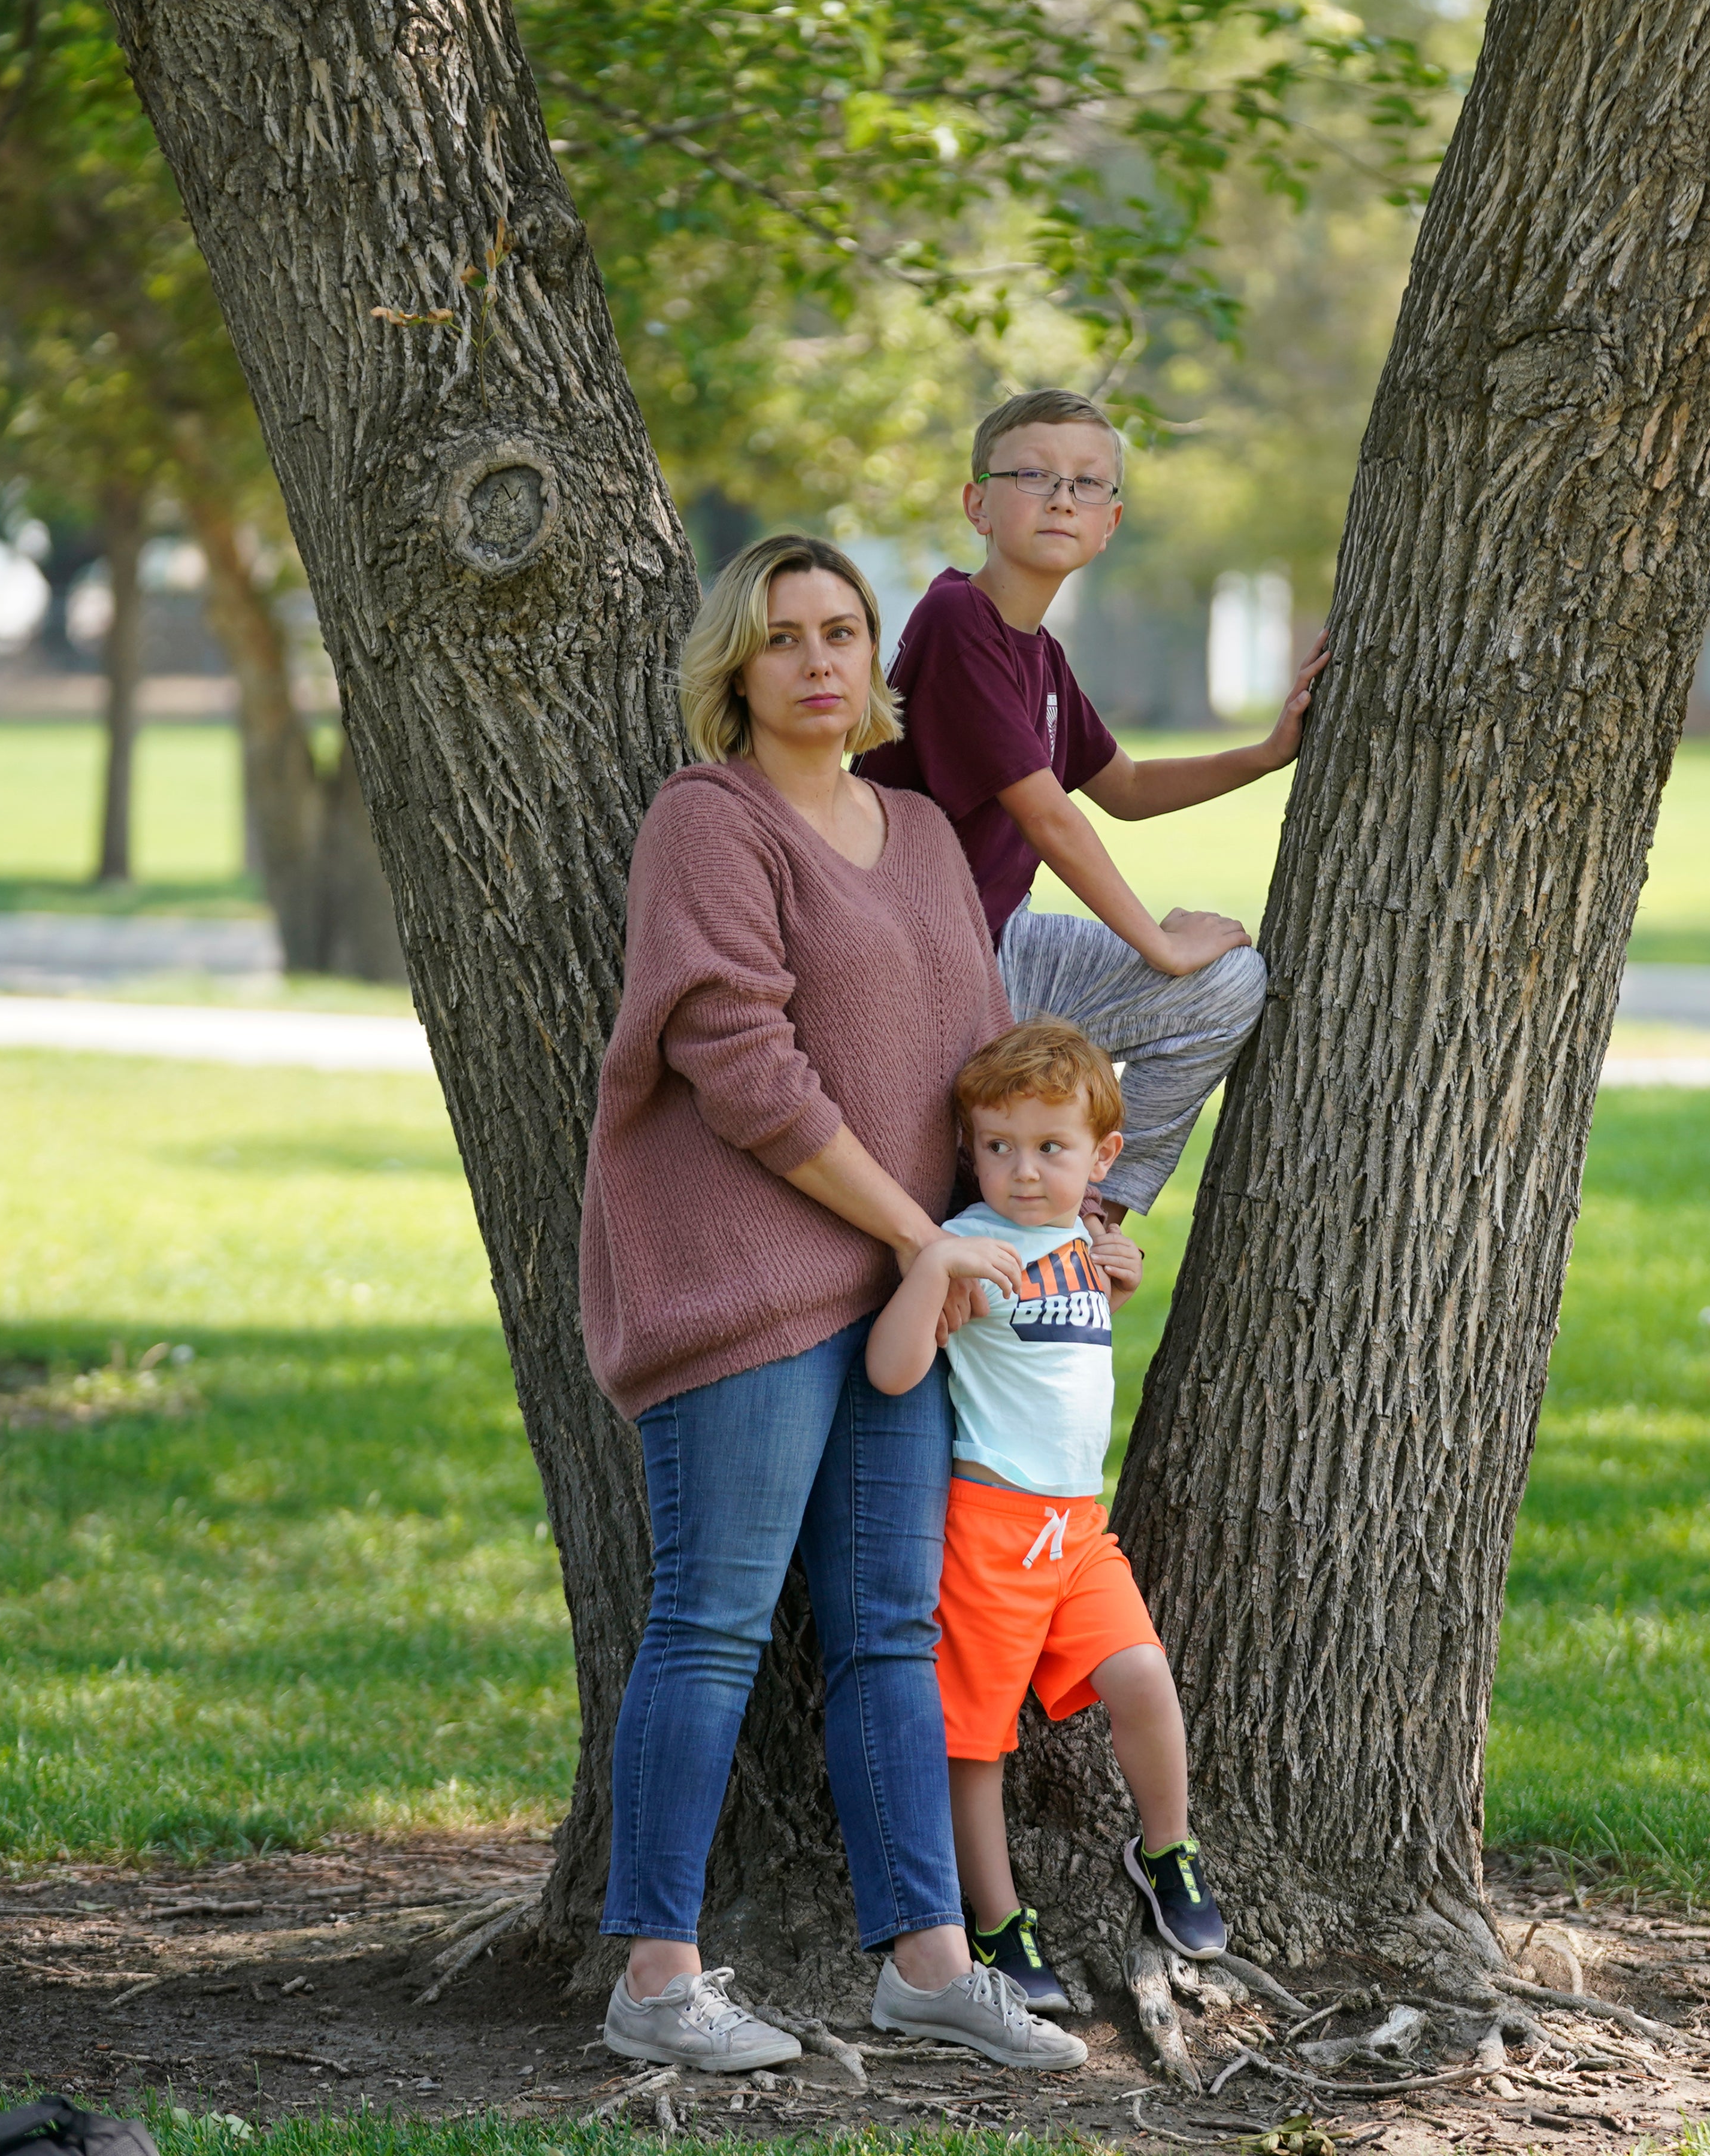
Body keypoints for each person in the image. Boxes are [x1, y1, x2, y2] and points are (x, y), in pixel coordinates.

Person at [579, 533, 1086, 2074]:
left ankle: (927, 1961)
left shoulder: (927, 832)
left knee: (887, 1629)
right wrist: (919, 1239)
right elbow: (739, 1062)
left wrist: (1043, 1228)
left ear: (877, 663)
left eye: (846, 632)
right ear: (735, 668)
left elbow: (988, 1066)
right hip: (747, 1288)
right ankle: (655, 1978)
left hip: (906, 1293)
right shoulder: (707, 821)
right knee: (714, 1623)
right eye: (786, 635)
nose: (820, 660)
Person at [854, 387, 1327, 1226]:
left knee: (1226, 986)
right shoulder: (957, 617)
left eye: (1087, 483)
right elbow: (1051, 817)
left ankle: (1094, 1212)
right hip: (915, 961)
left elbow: (1128, 790)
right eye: (1033, 474)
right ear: (978, 504)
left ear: (1110, 523)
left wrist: (1265, 755)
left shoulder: (1043, 657)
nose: (1062, 496)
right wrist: (1158, 945)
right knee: (1198, 973)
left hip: (999, 947)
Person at [865, 1018, 1229, 2010]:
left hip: (1079, 1530)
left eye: (1050, 1149)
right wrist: (934, 1271)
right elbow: (893, 1370)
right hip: (991, 1527)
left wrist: (1122, 1275)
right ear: (970, 1149)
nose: (1023, 1172)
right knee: (975, 1739)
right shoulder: (968, 1246)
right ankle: (995, 1917)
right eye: (998, 1147)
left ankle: (1167, 1849)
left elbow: (1068, 1339)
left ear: (1101, 1155)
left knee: (1144, 1676)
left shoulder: (1083, 1234)